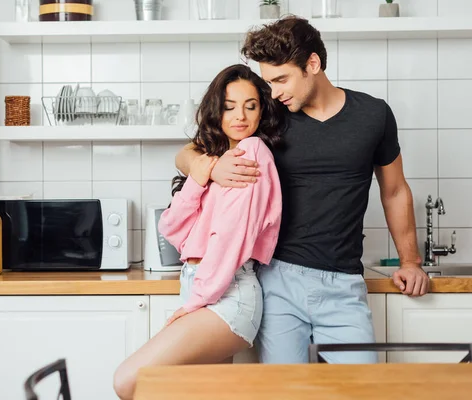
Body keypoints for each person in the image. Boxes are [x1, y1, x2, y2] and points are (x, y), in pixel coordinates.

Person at [174, 16, 430, 365]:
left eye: (281, 79)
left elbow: (395, 190)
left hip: (344, 285)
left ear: (313, 64)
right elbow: (189, 152)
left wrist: (410, 261)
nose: (275, 92)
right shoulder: (270, 119)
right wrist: (212, 167)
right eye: (269, 82)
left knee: (361, 392)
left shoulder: (373, 115)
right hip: (278, 280)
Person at [112, 64, 286, 400]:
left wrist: (198, 301)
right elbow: (171, 227)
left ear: (262, 112)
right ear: (215, 110)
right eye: (230, 106)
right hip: (201, 283)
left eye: (251, 106)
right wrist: (199, 176)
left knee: (129, 380)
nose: (241, 116)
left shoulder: (254, 153)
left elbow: (231, 239)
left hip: (228, 294)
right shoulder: (213, 159)